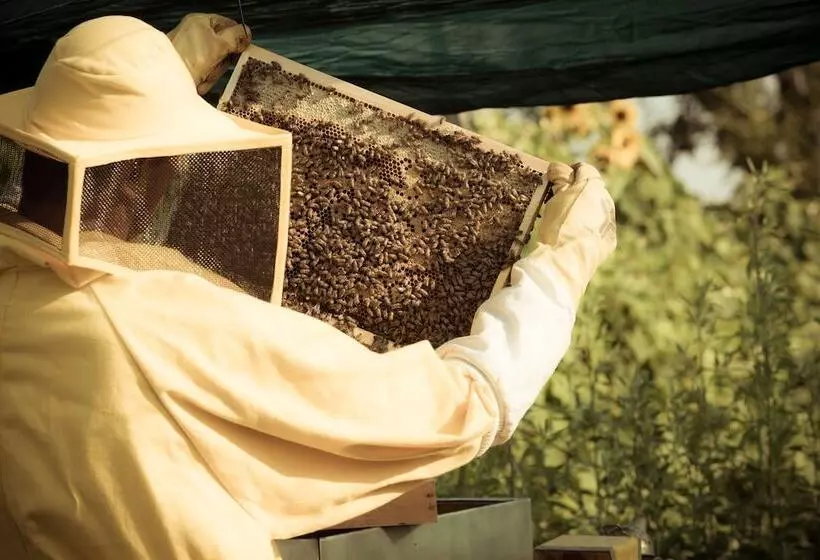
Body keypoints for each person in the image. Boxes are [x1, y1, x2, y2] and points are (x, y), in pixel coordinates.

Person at [0, 12, 616, 560]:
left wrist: (151, 78)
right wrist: (562, 265)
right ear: (142, 180)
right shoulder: (162, 325)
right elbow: (461, 405)